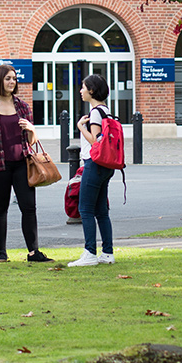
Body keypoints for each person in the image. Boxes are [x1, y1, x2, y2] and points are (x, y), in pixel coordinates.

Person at [0, 63, 52, 263]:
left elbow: (31, 141)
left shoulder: (22, 106)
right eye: (8, 78)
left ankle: (34, 252)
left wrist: (32, 130)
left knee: (29, 207)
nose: (12, 82)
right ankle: (1, 253)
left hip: (22, 164)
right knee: (0, 208)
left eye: (14, 78)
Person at [69, 73, 116, 266]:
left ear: (92, 90)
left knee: (85, 208)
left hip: (94, 163)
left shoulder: (96, 112)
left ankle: (89, 253)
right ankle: (107, 252)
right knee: (101, 211)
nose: (80, 91)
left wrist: (81, 127)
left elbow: (96, 141)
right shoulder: (107, 111)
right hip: (106, 165)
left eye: (83, 87)